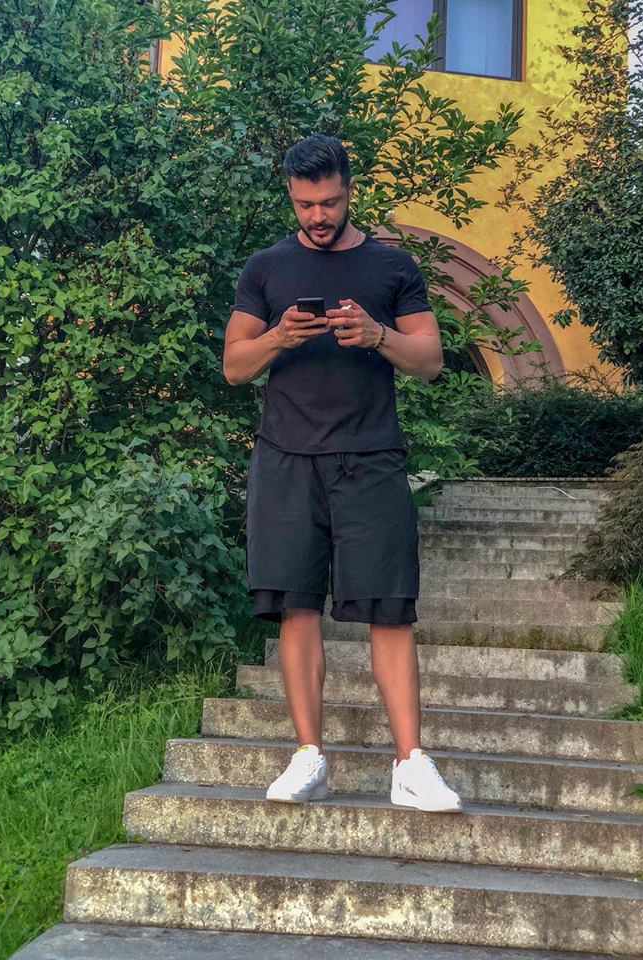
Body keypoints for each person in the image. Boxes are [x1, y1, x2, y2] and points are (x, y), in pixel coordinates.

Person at [223, 134, 462, 814]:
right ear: (291, 197)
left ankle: (410, 766)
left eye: (328, 202)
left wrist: (378, 335)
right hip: (286, 458)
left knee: (390, 607)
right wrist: (278, 337)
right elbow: (235, 366)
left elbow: (430, 360)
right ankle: (309, 757)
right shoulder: (266, 267)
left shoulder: (391, 266)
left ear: (349, 190)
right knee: (296, 606)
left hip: (371, 457)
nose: (318, 215)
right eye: (305, 204)